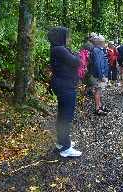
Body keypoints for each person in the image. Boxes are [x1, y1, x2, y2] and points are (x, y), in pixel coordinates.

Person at [48, 26, 82, 158]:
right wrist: (77, 55)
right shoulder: (60, 49)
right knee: (66, 117)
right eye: (66, 36)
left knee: (62, 114)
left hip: (61, 84)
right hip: (65, 86)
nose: (69, 38)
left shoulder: (57, 48)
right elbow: (77, 62)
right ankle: (66, 148)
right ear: (60, 37)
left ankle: (61, 142)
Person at [89, 35, 109, 115]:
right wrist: (101, 76)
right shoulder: (97, 51)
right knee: (98, 91)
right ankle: (98, 108)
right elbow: (98, 64)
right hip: (99, 75)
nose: (105, 43)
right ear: (101, 42)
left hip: (100, 74)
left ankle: (100, 106)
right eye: (104, 42)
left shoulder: (99, 50)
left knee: (99, 91)